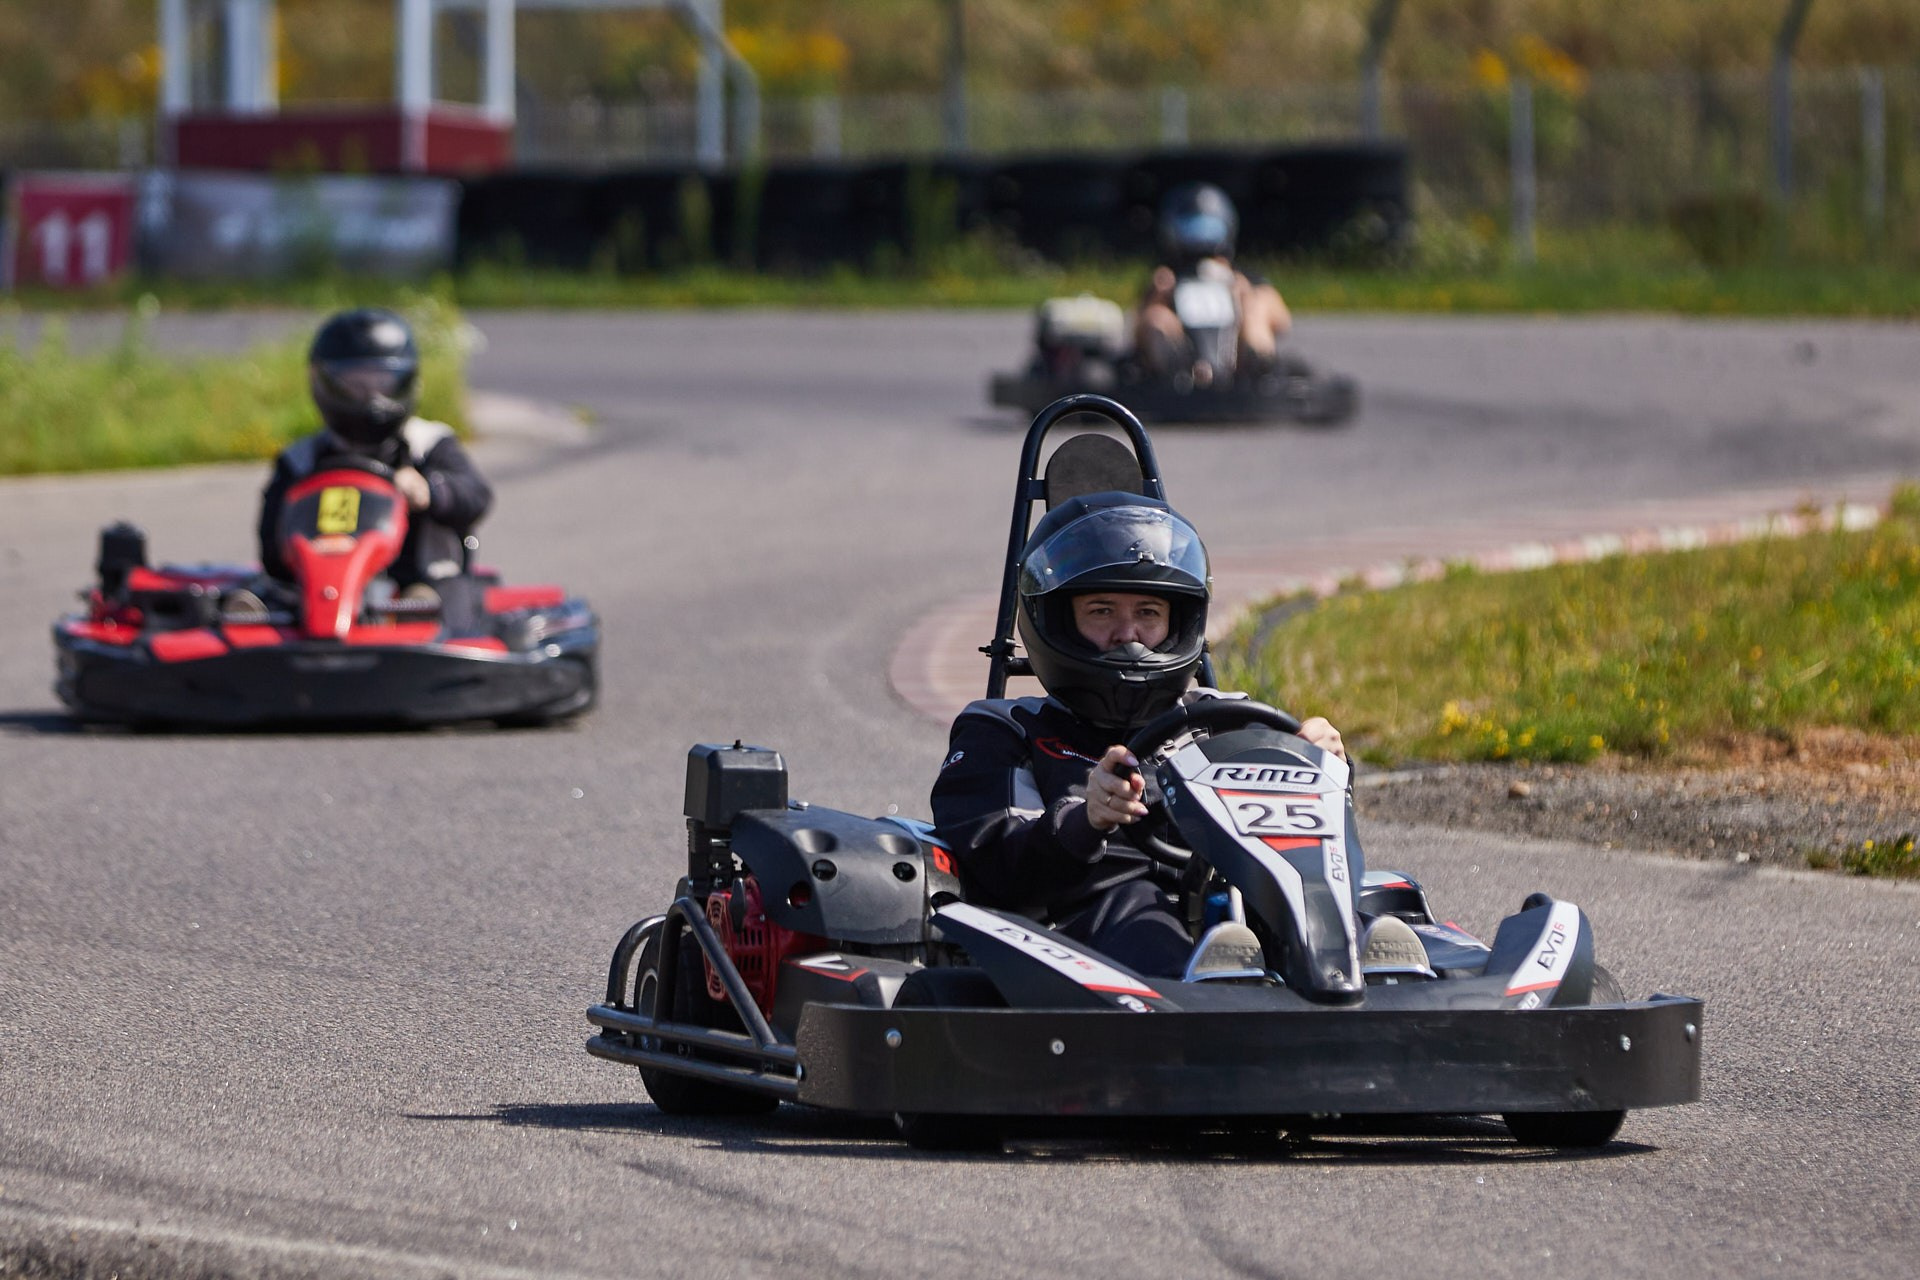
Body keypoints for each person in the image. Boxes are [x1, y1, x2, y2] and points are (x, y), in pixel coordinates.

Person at [930, 492, 1347, 980]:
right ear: (1058, 620)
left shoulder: (1224, 719)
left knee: (1348, 895)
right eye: (1102, 611)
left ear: (1178, 622)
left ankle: (1372, 971)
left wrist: (1321, 763)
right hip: (1076, 935)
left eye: (1148, 612)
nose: (1128, 634)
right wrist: (1086, 821)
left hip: (1235, 913)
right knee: (1137, 905)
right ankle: (1211, 989)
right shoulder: (1006, 729)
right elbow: (997, 866)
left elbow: (1306, 836)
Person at [243, 307, 492, 623]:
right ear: (326, 383)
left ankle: (422, 626)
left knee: (440, 601)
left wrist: (429, 491)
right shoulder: (301, 460)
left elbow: (477, 497)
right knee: (260, 599)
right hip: (322, 589)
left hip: (422, 587)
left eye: (382, 384)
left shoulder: (429, 444)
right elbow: (271, 547)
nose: (371, 399)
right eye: (356, 386)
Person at [1133, 182, 1292, 384]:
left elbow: (1282, 320)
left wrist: (1246, 299)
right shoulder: (1166, 278)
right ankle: (1176, 374)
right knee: (1156, 317)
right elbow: (1136, 332)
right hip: (1183, 362)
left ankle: (1258, 366)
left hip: (1236, 359)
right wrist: (1158, 298)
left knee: (1257, 306)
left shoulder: (1243, 278)